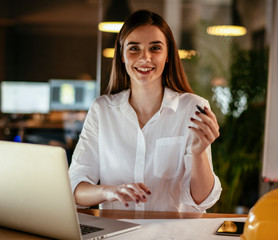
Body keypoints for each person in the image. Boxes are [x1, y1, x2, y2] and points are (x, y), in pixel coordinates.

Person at [68, 10, 222, 212]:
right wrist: (109, 192)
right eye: (134, 48)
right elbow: (74, 189)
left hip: (171, 234)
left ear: (168, 56)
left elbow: (202, 200)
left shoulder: (193, 108)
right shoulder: (102, 110)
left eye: (155, 48)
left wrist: (198, 152)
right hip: (116, 232)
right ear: (122, 56)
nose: (145, 57)